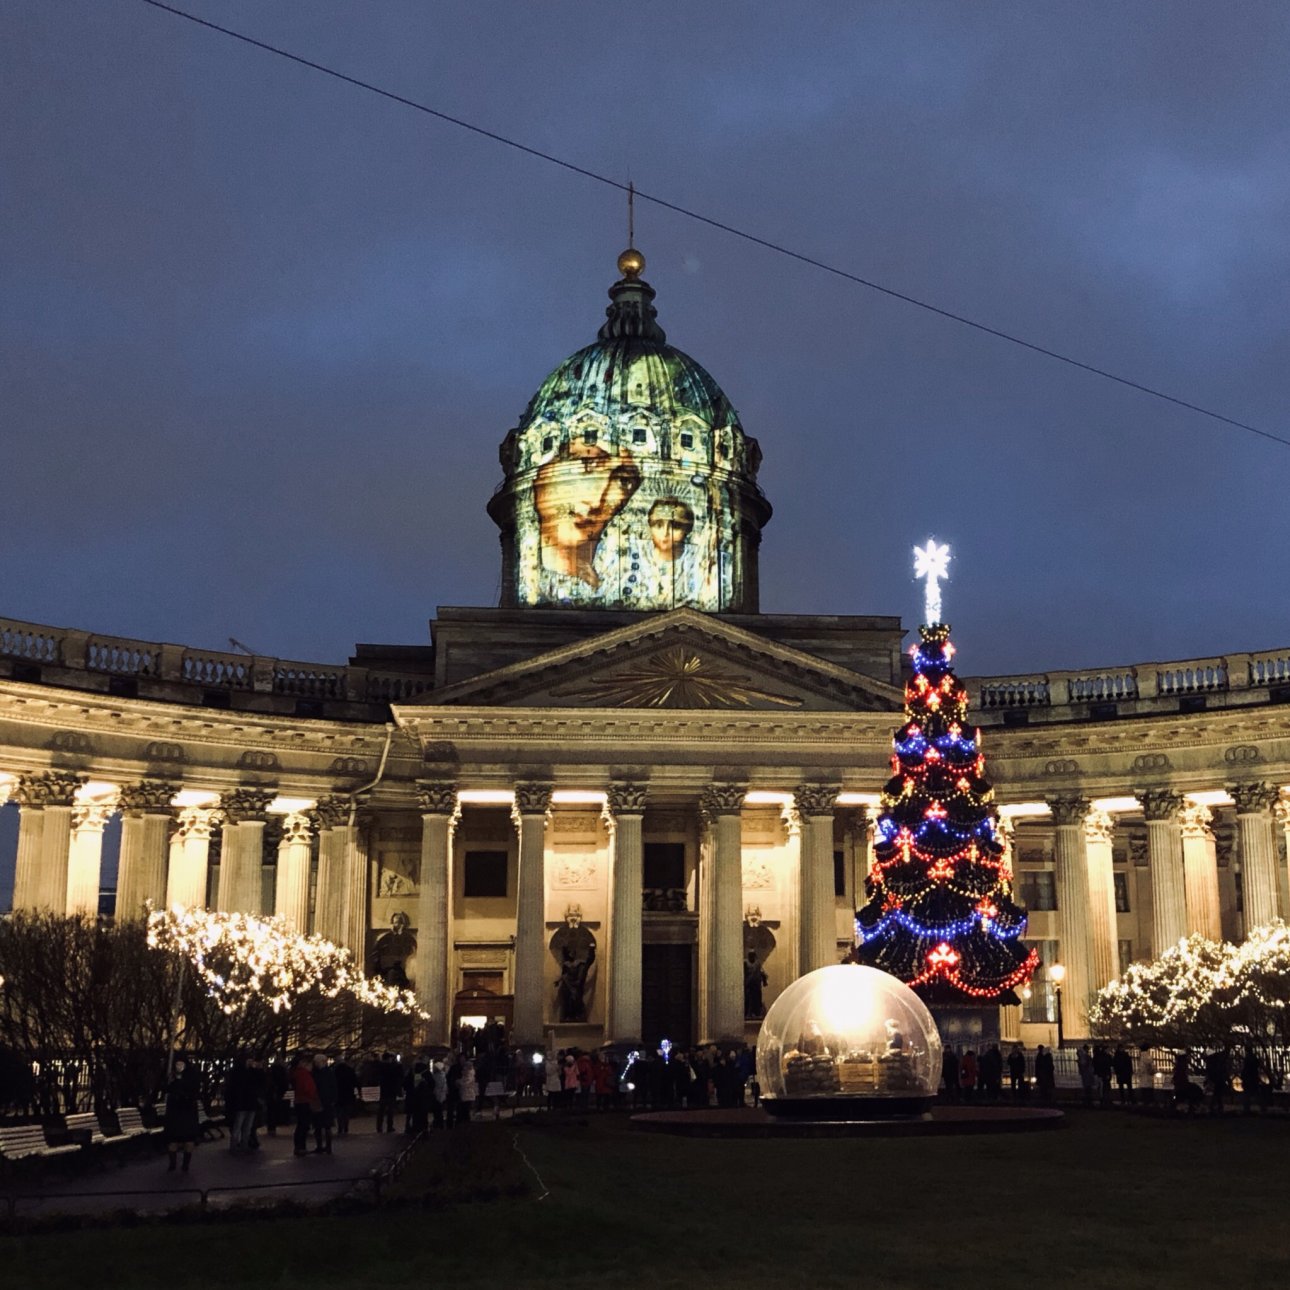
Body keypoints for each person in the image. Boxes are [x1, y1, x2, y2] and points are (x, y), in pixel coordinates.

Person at [163, 1057, 201, 1174]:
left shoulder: (191, 1077)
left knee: (188, 1139)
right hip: (175, 1113)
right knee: (173, 1139)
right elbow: (167, 1089)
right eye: (177, 1064)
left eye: (181, 1064)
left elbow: (193, 1091)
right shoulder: (172, 1077)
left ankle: (185, 1164)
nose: (179, 1067)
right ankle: (172, 1163)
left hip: (187, 1112)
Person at [289, 1053, 319, 1157]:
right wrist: (312, 1094)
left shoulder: (297, 1073)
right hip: (305, 1100)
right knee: (303, 1125)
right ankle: (300, 1147)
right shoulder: (303, 1074)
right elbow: (307, 1087)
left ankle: (299, 1147)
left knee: (301, 1124)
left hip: (300, 1100)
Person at [312, 1054, 337, 1153]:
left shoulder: (314, 1073)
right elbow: (334, 1087)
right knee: (326, 1126)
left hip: (320, 1101)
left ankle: (321, 1146)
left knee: (319, 1126)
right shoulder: (329, 1073)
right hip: (326, 1101)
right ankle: (327, 1146)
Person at [376, 1052, 401, 1133]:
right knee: (390, 1110)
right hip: (391, 1091)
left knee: (381, 1110)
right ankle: (389, 1126)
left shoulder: (380, 1067)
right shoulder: (392, 1067)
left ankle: (379, 1127)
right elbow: (397, 1076)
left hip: (383, 1091)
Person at [333, 1055, 358, 1135]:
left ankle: (340, 1127)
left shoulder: (335, 1071)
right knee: (346, 1112)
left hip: (338, 1094)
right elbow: (355, 1082)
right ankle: (346, 1127)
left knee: (339, 1112)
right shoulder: (350, 1070)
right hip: (348, 1093)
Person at [457, 1056, 478, 1124]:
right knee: (464, 1108)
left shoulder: (470, 1075)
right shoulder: (466, 1075)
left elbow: (467, 1083)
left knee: (466, 1108)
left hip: (468, 1094)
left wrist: (459, 1082)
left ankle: (466, 1121)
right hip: (465, 1093)